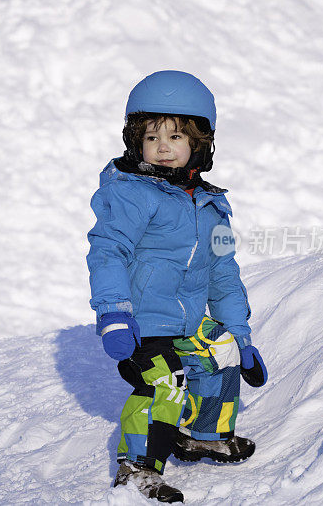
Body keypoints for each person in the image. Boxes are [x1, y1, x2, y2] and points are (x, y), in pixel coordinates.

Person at [86, 71, 268, 503]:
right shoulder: (133, 195)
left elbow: (224, 274)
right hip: (143, 323)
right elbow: (108, 249)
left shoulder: (212, 207)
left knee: (220, 351)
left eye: (175, 136)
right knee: (164, 381)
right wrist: (114, 312)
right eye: (151, 137)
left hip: (185, 321)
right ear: (136, 143)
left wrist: (239, 336)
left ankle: (201, 434)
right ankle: (137, 468)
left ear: (199, 145)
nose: (163, 146)